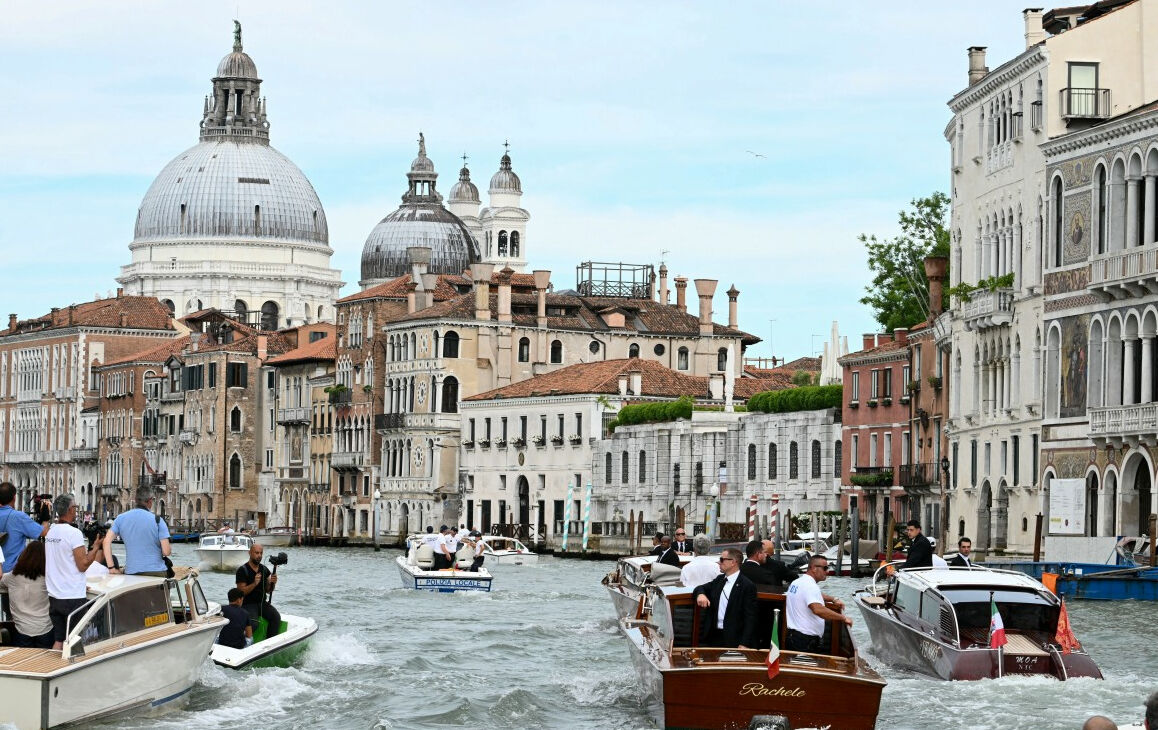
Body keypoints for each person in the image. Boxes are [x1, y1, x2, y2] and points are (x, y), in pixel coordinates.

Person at [45, 495, 101, 649]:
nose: (76, 510)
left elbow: (61, 563)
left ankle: (54, 669)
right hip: (72, 597)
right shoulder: (74, 533)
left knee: (59, 639)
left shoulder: (51, 532)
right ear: (70, 510)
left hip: (54, 595)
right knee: (76, 640)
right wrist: (95, 548)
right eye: (75, 507)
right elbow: (82, 565)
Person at [692, 547, 758, 649]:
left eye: (722, 559)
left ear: (733, 562)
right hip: (714, 637)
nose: (719, 562)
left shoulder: (747, 586)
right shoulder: (719, 580)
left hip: (734, 639)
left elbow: (750, 617)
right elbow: (700, 588)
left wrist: (744, 643)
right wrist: (701, 594)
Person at [785, 555, 851, 654]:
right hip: (804, 641)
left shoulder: (797, 582)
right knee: (806, 668)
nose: (827, 571)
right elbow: (818, 609)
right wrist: (843, 618)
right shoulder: (810, 586)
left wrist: (833, 599)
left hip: (794, 637)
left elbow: (812, 595)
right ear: (814, 568)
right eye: (825, 568)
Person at [103, 485, 171, 576]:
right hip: (156, 572)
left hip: (132, 572)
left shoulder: (120, 518)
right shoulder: (158, 520)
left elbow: (106, 542)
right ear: (150, 501)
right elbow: (166, 552)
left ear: (135, 500)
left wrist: (111, 568)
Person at [0, 540, 54, 648]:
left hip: (21, 630)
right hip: (45, 629)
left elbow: (1, 584)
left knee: (23, 663)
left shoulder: (12, 577)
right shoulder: (49, 579)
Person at [0, 481, 51, 572]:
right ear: (14, 497)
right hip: (12, 571)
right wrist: (45, 516)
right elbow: (44, 532)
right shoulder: (18, 517)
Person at [235, 543, 280, 639]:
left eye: (261, 553)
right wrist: (254, 584)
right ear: (250, 553)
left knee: (276, 617)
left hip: (262, 603)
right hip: (248, 604)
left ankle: (270, 643)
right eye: (256, 553)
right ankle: (240, 643)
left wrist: (273, 583)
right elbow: (240, 593)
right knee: (253, 624)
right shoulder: (242, 570)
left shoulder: (264, 569)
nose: (259, 555)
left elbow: (268, 590)